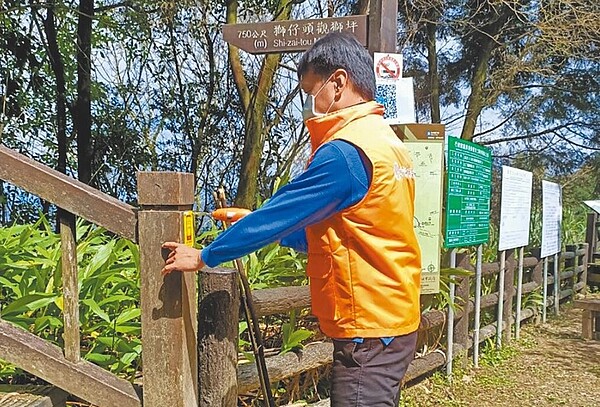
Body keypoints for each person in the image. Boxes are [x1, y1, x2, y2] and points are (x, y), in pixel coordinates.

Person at [161, 32, 422, 406]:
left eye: (309, 91)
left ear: (338, 83)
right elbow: (349, 230)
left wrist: (205, 255)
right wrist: (261, 224)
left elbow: (282, 212)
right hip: (392, 317)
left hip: (369, 329)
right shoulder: (387, 142)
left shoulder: (345, 153)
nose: (307, 104)